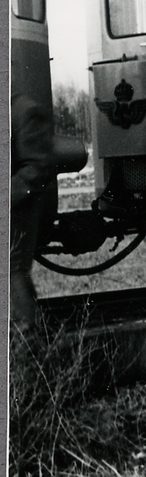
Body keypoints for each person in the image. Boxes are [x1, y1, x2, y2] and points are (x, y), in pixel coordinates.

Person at [10, 92, 53, 333]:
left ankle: (28, 343)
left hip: (16, 217)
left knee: (12, 276)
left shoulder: (25, 111)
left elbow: (37, 169)